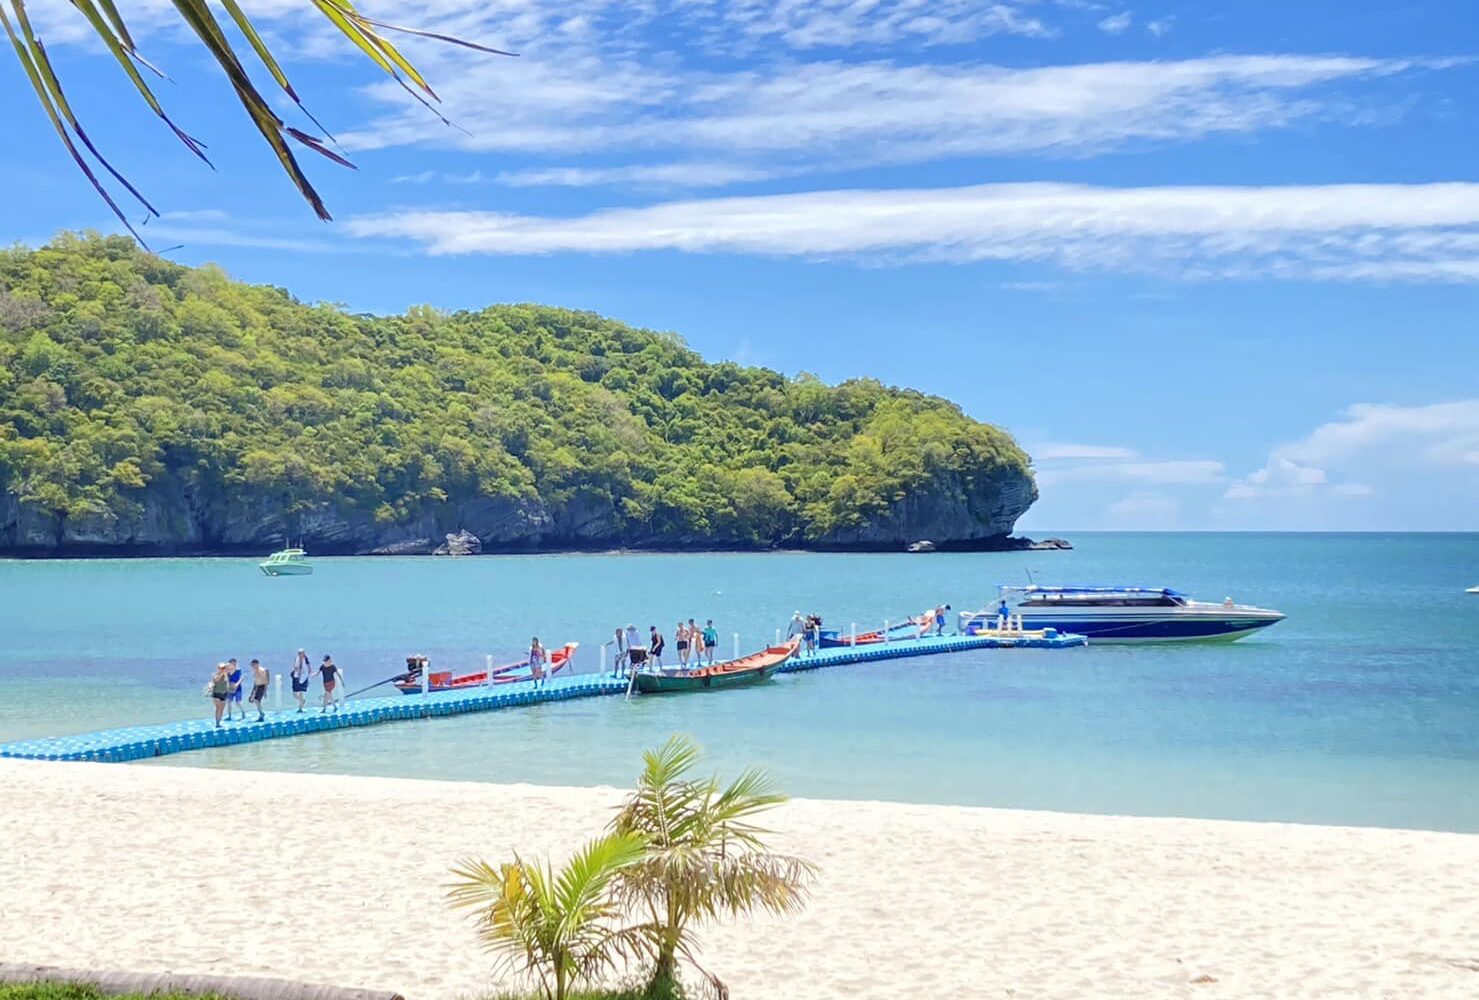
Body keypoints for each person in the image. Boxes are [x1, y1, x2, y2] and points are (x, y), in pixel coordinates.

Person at [210, 662, 231, 727]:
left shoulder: (226, 674)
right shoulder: (215, 675)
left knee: (222, 709)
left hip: (224, 693)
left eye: (223, 668)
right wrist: (222, 672)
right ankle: (217, 723)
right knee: (218, 708)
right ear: (218, 668)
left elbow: (230, 667)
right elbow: (216, 680)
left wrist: (226, 667)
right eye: (221, 668)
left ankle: (219, 721)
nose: (222, 669)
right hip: (216, 693)